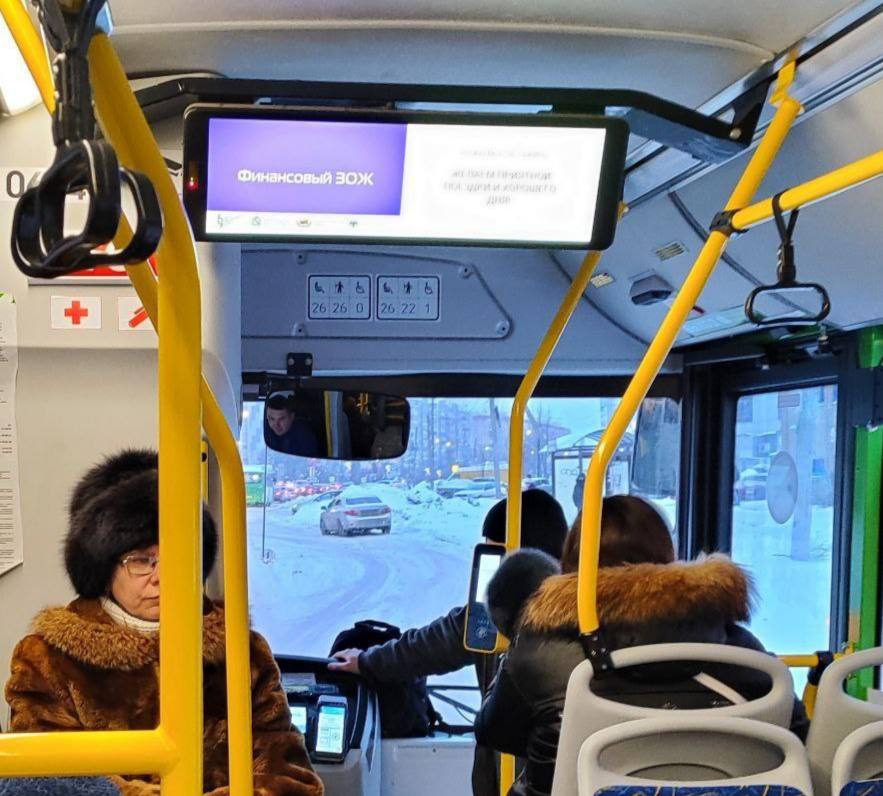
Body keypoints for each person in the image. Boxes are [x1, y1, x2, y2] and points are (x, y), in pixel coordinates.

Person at [5, 450, 323, 796]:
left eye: (175, 555)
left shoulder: (242, 652)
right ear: (104, 570)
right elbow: (51, 782)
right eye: (142, 560)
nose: (161, 576)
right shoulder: (48, 661)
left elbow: (290, 777)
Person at [475, 495, 808, 796]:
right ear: (668, 558)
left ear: (573, 567)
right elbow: (794, 733)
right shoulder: (743, 652)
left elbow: (495, 731)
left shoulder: (544, 652)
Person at [328, 489, 569, 796]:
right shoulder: (491, 617)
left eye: (500, 560)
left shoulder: (564, 630)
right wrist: (366, 661)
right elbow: (429, 645)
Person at [265, 393, 321, 457]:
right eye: (272, 419)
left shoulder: (304, 436)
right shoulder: (263, 430)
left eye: (281, 419)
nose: (276, 425)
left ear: (292, 417)